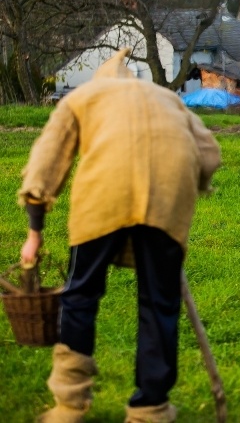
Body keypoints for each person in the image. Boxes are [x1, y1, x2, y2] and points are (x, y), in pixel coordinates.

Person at [18, 48, 221, 423]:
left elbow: (46, 160)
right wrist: (197, 183)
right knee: (160, 302)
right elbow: (209, 153)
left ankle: (68, 405)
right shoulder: (166, 98)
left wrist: (35, 230)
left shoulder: (83, 97)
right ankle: (151, 410)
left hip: (103, 194)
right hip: (167, 194)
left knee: (80, 294)